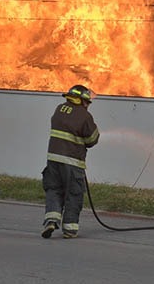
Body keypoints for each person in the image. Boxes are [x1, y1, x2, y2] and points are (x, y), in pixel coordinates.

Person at [41, 84, 100, 239]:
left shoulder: (59, 109)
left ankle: (51, 221)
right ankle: (69, 229)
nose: (88, 105)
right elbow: (92, 139)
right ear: (81, 100)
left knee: (54, 189)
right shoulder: (84, 116)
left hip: (53, 159)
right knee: (74, 194)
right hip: (72, 162)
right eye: (87, 102)